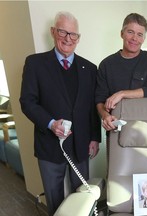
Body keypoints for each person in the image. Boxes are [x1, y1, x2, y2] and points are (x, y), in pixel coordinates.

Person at [19, 11, 101, 215]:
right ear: (53, 32)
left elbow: (93, 107)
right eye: (63, 32)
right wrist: (50, 123)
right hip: (49, 145)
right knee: (54, 199)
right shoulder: (35, 64)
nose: (67, 38)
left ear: (78, 38)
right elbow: (27, 102)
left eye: (73, 34)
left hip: (81, 145)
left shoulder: (90, 68)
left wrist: (94, 138)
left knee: (81, 196)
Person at [95, 13, 147, 131]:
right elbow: (100, 100)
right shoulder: (106, 64)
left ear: (144, 38)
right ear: (122, 33)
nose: (134, 38)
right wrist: (105, 116)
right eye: (130, 32)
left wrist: (122, 94)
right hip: (116, 129)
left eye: (139, 34)